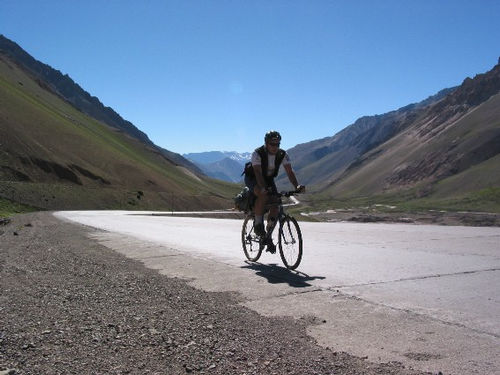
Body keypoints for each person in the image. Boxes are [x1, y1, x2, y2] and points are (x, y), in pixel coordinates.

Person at [244, 130, 305, 243]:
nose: (275, 147)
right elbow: (257, 172)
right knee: (263, 195)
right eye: (272, 144)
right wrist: (263, 188)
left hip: (268, 178)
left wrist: (297, 186)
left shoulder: (283, 154)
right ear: (266, 143)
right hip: (253, 178)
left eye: (277, 144)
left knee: (276, 204)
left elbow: (290, 172)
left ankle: (267, 235)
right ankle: (258, 225)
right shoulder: (257, 153)